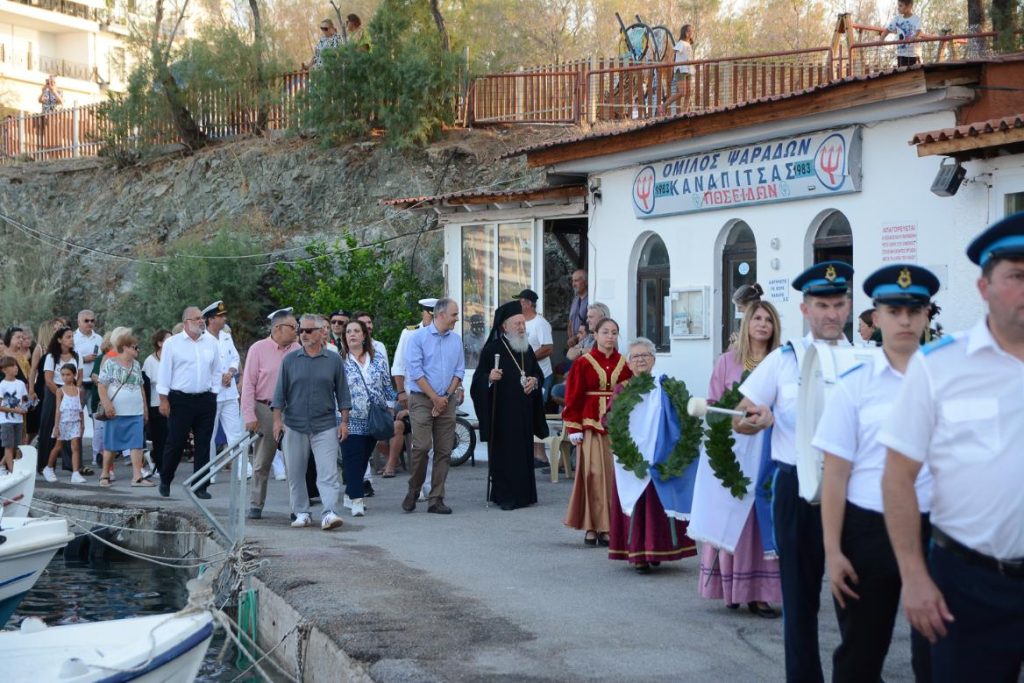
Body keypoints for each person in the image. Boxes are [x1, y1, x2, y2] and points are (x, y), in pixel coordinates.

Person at [880, 214, 1024, 682]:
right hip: (969, 583)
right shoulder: (940, 366)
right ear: (984, 287)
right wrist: (914, 576)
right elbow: (897, 476)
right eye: (1017, 276)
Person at [812, 264, 939, 682]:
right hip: (868, 529)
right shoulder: (855, 385)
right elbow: (835, 474)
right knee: (861, 653)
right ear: (877, 316)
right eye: (894, 310)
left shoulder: (947, 380)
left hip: (936, 528)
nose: (904, 320)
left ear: (926, 315)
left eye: (913, 311)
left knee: (937, 652)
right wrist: (833, 551)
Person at [733, 261, 854, 683]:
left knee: (855, 599)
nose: (831, 313)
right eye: (822, 304)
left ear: (848, 306)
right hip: (796, 486)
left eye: (838, 304)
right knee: (800, 599)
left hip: (853, 491)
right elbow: (741, 416)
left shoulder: (864, 360)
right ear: (805, 309)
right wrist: (756, 419)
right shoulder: (784, 361)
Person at [690, 302, 782, 615]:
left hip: (769, 449)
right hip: (733, 450)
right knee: (732, 514)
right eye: (757, 318)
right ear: (746, 324)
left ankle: (759, 593)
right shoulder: (727, 362)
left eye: (769, 319)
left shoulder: (780, 362)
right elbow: (714, 404)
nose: (763, 324)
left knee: (761, 516)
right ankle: (730, 588)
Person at [606, 338, 696, 572]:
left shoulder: (665, 387)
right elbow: (609, 418)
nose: (641, 360)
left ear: (654, 360)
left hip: (659, 453)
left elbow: (680, 415)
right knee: (637, 502)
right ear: (629, 363)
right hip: (631, 456)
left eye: (645, 355)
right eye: (635, 356)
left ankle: (656, 550)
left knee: (657, 503)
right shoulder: (622, 389)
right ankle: (639, 555)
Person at [272, 313, 350, 530]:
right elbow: (279, 394)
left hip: (325, 424)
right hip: (294, 424)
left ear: (321, 332)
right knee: (295, 473)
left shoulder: (333, 360)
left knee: (328, 472)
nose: (303, 335)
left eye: (308, 331)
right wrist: (277, 421)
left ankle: (329, 512)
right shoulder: (290, 360)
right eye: (301, 331)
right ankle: (301, 512)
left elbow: (343, 393)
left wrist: (344, 422)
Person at [470, 301, 548, 510]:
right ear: (504, 326)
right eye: (517, 324)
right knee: (506, 456)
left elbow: (537, 373)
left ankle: (525, 496)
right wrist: (489, 378)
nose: (522, 328)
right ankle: (505, 497)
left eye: (523, 323)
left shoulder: (526, 348)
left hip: (524, 414)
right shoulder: (492, 349)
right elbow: (477, 381)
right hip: (502, 415)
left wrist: (534, 381)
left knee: (523, 455)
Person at [563, 317, 632, 545]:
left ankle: (609, 527)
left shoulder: (624, 363)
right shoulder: (583, 363)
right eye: (605, 332)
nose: (610, 336)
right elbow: (573, 396)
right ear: (596, 335)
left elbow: (632, 395)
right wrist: (573, 425)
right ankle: (591, 526)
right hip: (591, 426)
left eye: (614, 332)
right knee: (592, 475)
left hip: (617, 428)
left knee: (614, 476)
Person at [401, 298, 464, 514]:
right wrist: (435, 398)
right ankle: (414, 489)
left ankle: (436, 498)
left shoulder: (456, 340)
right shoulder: (417, 338)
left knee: (444, 450)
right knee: (421, 447)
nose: (457, 319)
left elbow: (459, 371)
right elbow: (416, 372)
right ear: (441, 315)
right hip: (422, 400)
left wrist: (444, 397)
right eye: (454, 314)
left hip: (447, 400)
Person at [242, 308, 301, 519]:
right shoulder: (258, 349)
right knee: (262, 461)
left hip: (291, 410)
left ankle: (297, 508)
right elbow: (248, 384)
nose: (296, 331)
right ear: (277, 328)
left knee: (294, 461)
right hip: (264, 409)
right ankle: (256, 505)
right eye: (292, 327)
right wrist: (249, 415)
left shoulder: (297, 349)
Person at [157, 306, 220, 499]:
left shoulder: (211, 342)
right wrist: (163, 399)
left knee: (203, 444)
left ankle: (200, 485)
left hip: (205, 399)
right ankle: (166, 479)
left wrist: (214, 393)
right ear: (186, 322)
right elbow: (164, 372)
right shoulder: (172, 343)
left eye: (202, 318)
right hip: (181, 399)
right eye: (197, 318)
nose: (201, 321)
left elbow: (216, 370)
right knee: (176, 442)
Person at [339, 320, 395, 517]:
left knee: (363, 459)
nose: (352, 334)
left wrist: (391, 407)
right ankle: (357, 500)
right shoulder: (340, 361)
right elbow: (333, 389)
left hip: (374, 418)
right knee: (353, 459)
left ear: (364, 336)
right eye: (348, 332)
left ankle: (349, 493)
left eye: (356, 331)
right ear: (344, 337)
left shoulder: (378, 359)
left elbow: (387, 385)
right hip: (349, 418)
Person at [385, 297, 437, 484]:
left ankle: (429, 484)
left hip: (438, 396)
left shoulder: (445, 334)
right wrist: (401, 393)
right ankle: (420, 483)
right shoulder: (409, 333)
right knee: (421, 444)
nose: (432, 318)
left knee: (434, 444)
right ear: (423, 313)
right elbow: (398, 366)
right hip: (414, 396)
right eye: (430, 314)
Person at [97, 334, 153, 488]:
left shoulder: (136, 364)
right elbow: (101, 385)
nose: (138, 350)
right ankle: (105, 474)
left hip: (135, 411)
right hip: (116, 412)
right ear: (125, 347)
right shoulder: (110, 363)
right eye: (135, 347)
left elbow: (141, 386)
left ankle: (137, 477)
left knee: (137, 444)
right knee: (111, 444)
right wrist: (107, 404)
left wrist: (145, 409)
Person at [203, 301, 249, 479]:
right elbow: (202, 366)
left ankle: (243, 470)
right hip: (212, 394)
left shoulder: (226, 337)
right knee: (209, 435)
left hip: (229, 393)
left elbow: (235, 358)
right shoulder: (202, 339)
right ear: (211, 319)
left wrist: (230, 372)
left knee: (235, 433)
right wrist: (220, 376)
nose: (224, 319)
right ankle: (209, 473)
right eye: (221, 316)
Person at [39, 326, 83, 475]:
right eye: (68, 337)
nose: (71, 339)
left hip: (72, 391)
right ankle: (44, 464)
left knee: (73, 426)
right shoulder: (51, 357)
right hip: (55, 391)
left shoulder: (77, 356)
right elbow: (48, 379)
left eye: (72, 336)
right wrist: (61, 393)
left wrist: (74, 391)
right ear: (59, 340)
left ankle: (73, 466)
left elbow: (80, 376)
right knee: (50, 427)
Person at [41, 364, 85, 483]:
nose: (65, 377)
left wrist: (82, 424)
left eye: (68, 374)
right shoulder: (60, 391)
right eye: (63, 375)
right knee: (58, 446)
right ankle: (48, 468)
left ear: (74, 375)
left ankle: (75, 473)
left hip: (75, 422)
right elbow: (58, 409)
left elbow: (80, 408)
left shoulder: (79, 390)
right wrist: (56, 426)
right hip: (63, 422)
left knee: (75, 447)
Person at [73, 310, 103, 467]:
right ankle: (74, 456)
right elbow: (68, 359)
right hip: (79, 383)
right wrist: (84, 359)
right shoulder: (73, 338)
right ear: (79, 322)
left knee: (97, 419)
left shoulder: (99, 338)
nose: (90, 323)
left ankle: (97, 455)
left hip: (95, 384)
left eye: (92, 320)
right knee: (76, 420)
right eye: (86, 321)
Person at [517, 289, 554, 404]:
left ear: (528, 304)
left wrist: (528, 358)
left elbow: (548, 348)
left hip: (541, 375)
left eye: (520, 301)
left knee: (538, 408)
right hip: (525, 375)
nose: (518, 304)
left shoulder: (540, 323)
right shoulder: (520, 322)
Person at [142, 329, 171, 474]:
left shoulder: (174, 358)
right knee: (159, 438)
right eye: (168, 340)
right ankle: (160, 467)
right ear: (159, 343)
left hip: (174, 404)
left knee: (172, 438)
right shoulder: (150, 361)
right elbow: (145, 386)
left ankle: (162, 462)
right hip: (156, 405)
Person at [0, 356, 29, 474]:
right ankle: (12, 471)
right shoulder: (2, 385)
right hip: (6, 421)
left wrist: (26, 406)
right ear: (4, 370)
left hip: (19, 420)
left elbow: (24, 401)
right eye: (12, 366)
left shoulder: (21, 384)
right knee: (8, 446)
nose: (16, 368)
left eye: (16, 365)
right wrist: (16, 411)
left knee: (17, 446)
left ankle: (2, 466)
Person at [881, 0, 931, 67]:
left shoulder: (916, 19)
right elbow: (887, 30)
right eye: (898, 5)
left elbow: (918, 31)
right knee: (902, 71)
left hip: (913, 54)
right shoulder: (897, 19)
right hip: (901, 54)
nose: (898, 8)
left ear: (909, 6)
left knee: (915, 72)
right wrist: (882, 39)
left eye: (900, 6)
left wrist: (915, 37)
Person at [661, 24, 695, 115]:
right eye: (689, 31)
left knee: (689, 92)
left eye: (691, 31)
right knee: (682, 92)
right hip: (681, 70)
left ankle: (684, 113)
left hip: (689, 70)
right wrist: (670, 63)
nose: (691, 33)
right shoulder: (681, 43)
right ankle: (664, 105)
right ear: (685, 33)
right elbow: (673, 53)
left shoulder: (689, 45)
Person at [566, 269, 589, 348]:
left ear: (585, 282)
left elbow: (590, 325)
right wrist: (571, 339)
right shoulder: (575, 300)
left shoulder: (590, 300)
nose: (573, 284)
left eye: (576, 281)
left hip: (585, 345)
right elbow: (570, 322)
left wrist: (575, 338)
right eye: (572, 281)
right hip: (574, 345)